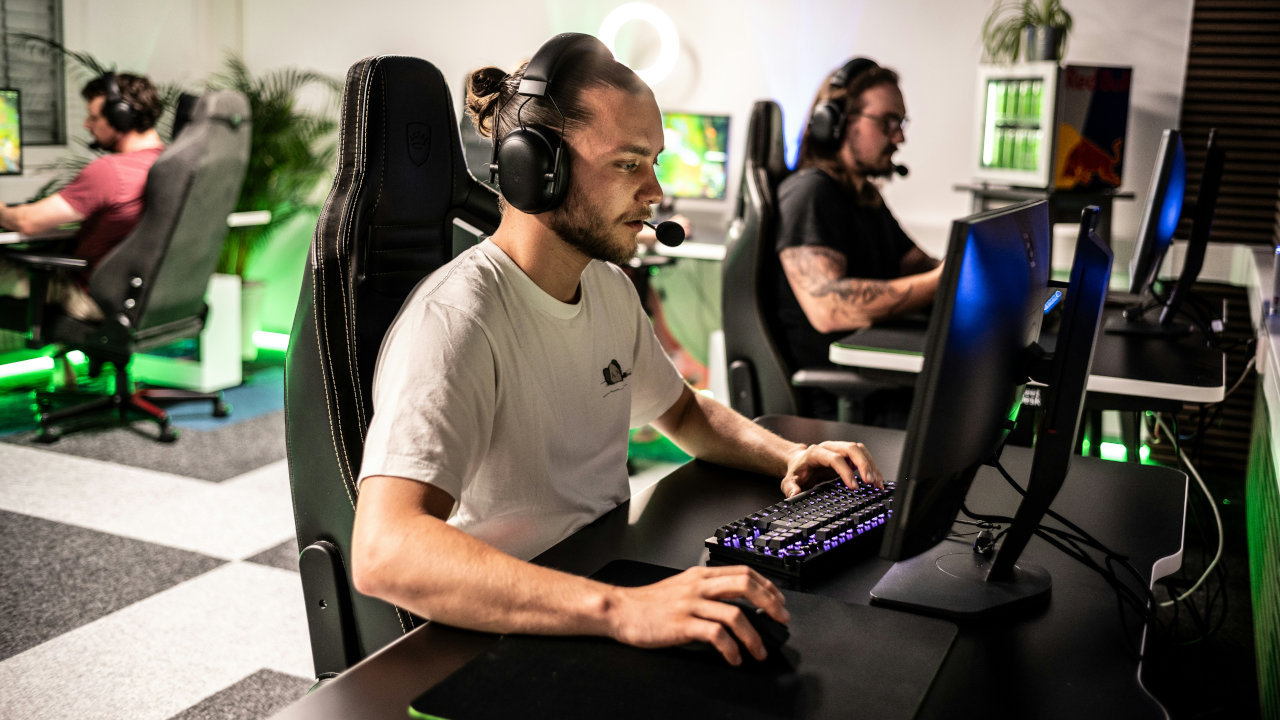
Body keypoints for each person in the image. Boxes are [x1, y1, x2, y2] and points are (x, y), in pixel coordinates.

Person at [351, 34, 884, 667]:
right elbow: (385, 550)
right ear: (536, 170)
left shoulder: (604, 287)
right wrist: (622, 609)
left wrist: (790, 456)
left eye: (653, 163)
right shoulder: (458, 320)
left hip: (597, 577)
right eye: (629, 163)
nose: (655, 190)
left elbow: (683, 413)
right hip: (509, 630)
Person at [772, 57, 944, 423]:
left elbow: (916, 264)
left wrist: (980, 270)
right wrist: (943, 281)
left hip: (877, 382)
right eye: (888, 122)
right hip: (843, 401)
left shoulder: (863, 196)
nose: (900, 136)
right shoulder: (810, 193)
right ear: (834, 123)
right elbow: (829, 307)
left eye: (900, 123)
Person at [0, 72, 165, 322]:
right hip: (140, 296)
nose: (87, 125)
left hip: (89, 296)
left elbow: (26, 221)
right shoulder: (171, 167)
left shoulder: (113, 171)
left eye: (94, 117)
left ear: (121, 117)